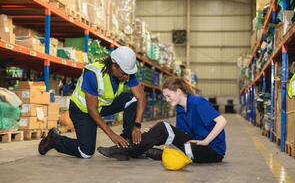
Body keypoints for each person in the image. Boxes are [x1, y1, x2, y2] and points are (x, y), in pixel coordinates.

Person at [38, 46, 146, 159]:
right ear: (114, 66)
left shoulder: (125, 72)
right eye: (124, 73)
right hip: (82, 110)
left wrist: (137, 125)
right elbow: (92, 110)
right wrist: (112, 135)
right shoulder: (93, 74)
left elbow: (141, 98)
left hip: (102, 105)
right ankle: (54, 139)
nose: (126, 76)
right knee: (85, 152)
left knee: (133, 99)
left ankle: (126, 143)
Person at [98, 76, 227, 163]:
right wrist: (154, 132)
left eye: (168, 96)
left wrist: (205, 141)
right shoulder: (180, 109)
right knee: (161, 127)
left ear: (179, 91)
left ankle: (153, 153)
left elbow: (222, 121)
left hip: (212, 149)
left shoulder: (197, 102)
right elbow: (177, 135)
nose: (166, 100)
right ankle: (125, 150)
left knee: (188, 149)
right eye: (165, 97)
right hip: (194, 141)